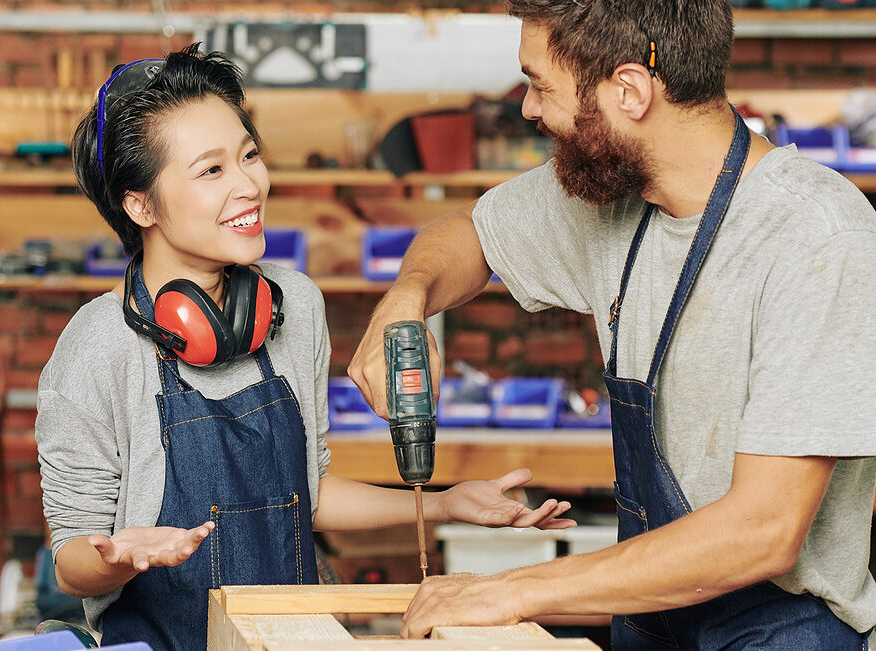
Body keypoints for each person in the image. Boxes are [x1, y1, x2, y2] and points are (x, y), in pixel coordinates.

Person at [347, 2, 876, 648]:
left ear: (631, 91)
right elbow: (467, 235)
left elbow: (766, 530)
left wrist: (509, 589)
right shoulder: (616, 201)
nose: (528, 109)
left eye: (540, 85)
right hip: (652, 627)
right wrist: (406, 296)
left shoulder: (817, 238)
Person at [36, 44, 577, 651]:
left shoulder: (294, 303)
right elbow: (72, 559)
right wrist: (121, 557)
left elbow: (307, 493)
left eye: (248, 156)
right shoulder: (96, 346)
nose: (248, 184)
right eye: (211, 171)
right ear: (141, 205)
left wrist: (443, 505)